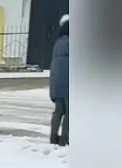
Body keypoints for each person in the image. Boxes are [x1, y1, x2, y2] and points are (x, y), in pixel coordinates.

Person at [50, 14, 69, 146]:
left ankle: (53, 137)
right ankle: (64, 139)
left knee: (58, 110)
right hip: (70, 81)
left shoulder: (58, 43)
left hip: (57, 81)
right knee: (70, 112)